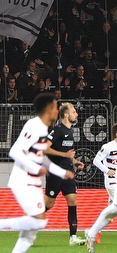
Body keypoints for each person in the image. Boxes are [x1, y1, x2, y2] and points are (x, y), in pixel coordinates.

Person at [0, 93, 76, 253]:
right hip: (22, 179)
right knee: (39, 222)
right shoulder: (33, 126)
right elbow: (16, 151)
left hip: (33, 181)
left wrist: (61, 172)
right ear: (49, 109)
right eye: (56, 107)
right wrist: (35, 169)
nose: (57, 110)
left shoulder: (43, 129)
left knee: (34, 228)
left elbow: (43, 159)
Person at [43, 101, 86, 245]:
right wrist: (64, 155)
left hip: (68, 172)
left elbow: (68, 153)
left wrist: (74, 161)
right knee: (49, 205)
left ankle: (73, 237)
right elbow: (46, 148)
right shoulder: (57, 130)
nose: (76, 114)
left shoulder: (70, 131)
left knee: (73, 200)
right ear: (66, 115)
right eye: (74, 112)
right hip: (54, 173)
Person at [85, 122, 117, 253]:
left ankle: (92, 233)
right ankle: (92, 232)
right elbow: (96, 161)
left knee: (114, 209)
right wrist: (106, 170)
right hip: (112, 181)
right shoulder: (108, 147)